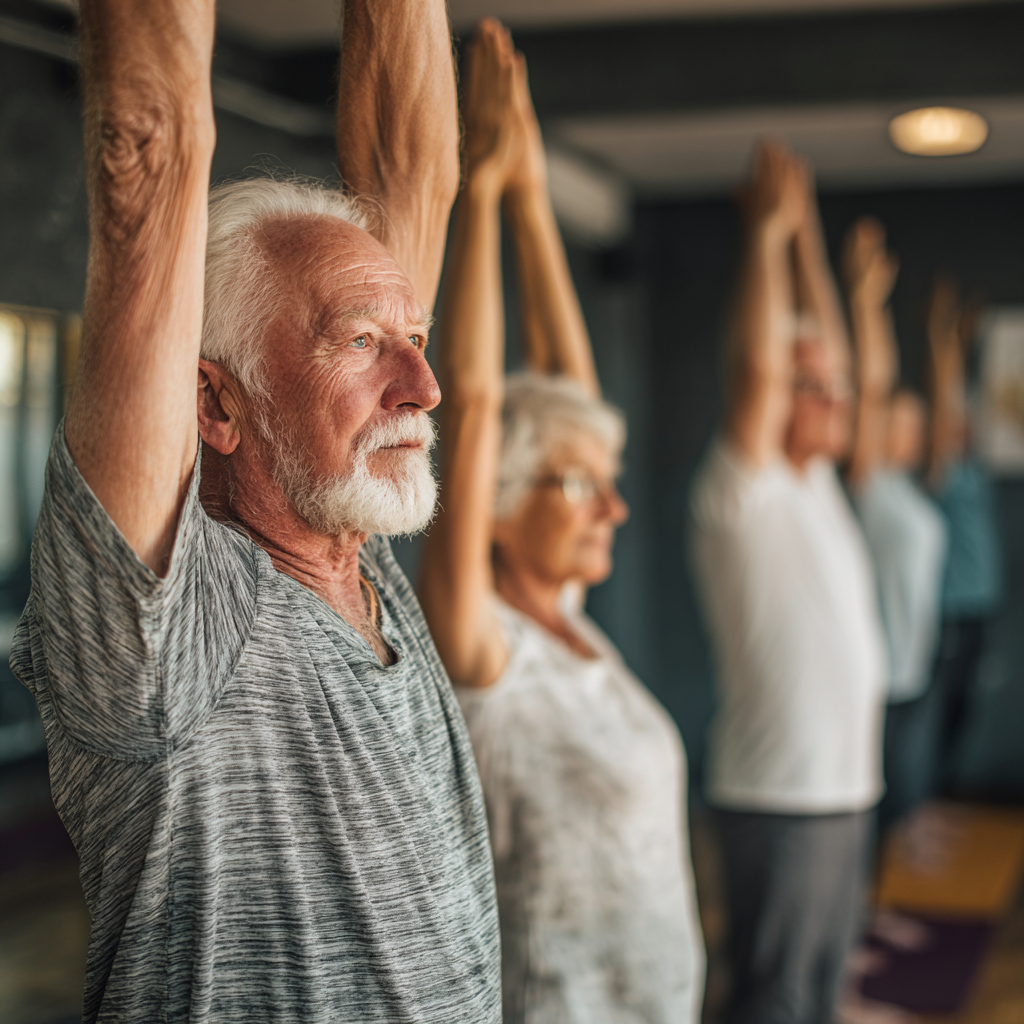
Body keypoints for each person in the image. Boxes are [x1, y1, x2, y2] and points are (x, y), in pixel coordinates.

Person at [9, 0, 501, 1020]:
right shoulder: (172, 631)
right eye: (359, 343)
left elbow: (414, 171)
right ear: (217, 404)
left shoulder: (353, 546)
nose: (423, 383)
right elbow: (149, 151)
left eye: (412, 336)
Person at [419, 21, 706, 1024]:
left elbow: (571, 392)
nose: (612, 507)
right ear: (499, 502)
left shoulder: (568, 619)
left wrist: (538, 202)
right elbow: (481, 407)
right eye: (579, 487)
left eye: (606, 481)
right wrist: (486, 197)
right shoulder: (481, 646)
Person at [689, 142, 887, 1024]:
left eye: (833, 389)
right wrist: (768, 242)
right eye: (811, 388)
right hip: (782, 796)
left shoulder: (815, 486)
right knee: (773, 1002)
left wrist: (806, 236)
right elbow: (763, 367)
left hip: (844, 788)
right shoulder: (746, 488)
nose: (832, 399)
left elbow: (833, 360)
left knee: (819, 987)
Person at [844, 218, 948, 833]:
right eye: (899, 424)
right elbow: (873, 389)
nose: (911, 434)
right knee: (877, 790)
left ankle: (889, 886)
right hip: (880, 664)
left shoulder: (909, 487)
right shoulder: (870, 486)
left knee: (904, 775)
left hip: (913, 659)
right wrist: (866, 306)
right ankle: (870, 912)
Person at [926, 277, 1002, 794]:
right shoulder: (943, 470)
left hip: (979, 604)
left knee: (963, 709)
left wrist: (966, 340)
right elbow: (947, 397)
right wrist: (941, 339)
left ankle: (939, 800)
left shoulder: (973, 464)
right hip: (953, 605)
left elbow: (963, 398)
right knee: (939, 711)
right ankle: (924, 807)